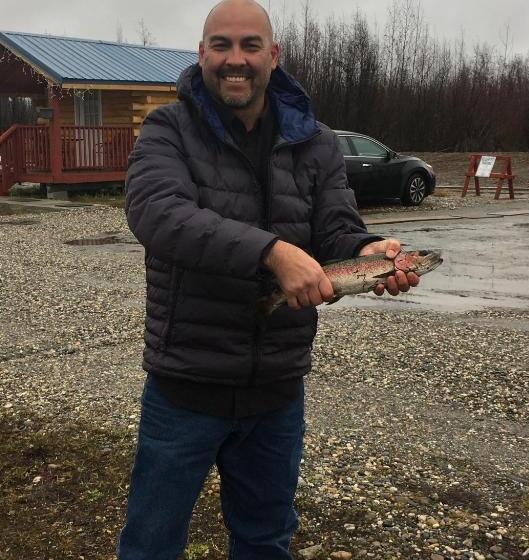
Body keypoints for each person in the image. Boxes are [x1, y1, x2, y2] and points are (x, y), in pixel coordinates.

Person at [117, 1, 419, 558]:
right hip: (187, 383)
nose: (237, 60)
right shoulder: (168, 128)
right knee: (151, 544)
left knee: (265, 540)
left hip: (277, 389)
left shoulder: (317, 141)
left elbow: (335, 228)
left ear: (273, 56)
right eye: (223, 45)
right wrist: (273, 253)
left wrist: (366, 249)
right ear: (202, 53)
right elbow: (160, 216)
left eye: (251, 46)